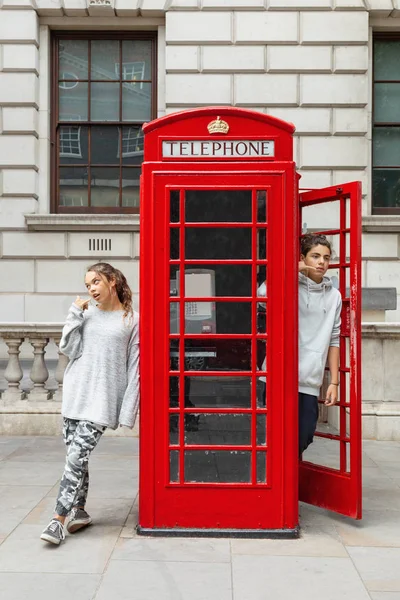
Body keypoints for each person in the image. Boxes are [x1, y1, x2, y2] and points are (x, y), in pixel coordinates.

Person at [40, 262, 139, 545]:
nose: (91, 289)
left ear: (112, 281)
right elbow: (68, 349)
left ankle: (58, 520)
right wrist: (74, 314)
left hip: (103, 399)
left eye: (95, 282)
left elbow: (135, 368)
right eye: (87, 285)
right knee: (76, 458)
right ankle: (80, 511)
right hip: (76, 392)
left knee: (75, 457)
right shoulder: (85, 314)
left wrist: (128, 412)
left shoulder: (132, 320)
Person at [298, 234, 341, 457]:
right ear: (303, 258)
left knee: (304, 435)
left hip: (310, 380)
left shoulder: (334, 296)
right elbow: (262, 293)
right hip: (279, 377)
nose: (321, 262)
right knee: (279, 441)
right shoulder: (290, 285)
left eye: (326, 257)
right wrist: (296, 270)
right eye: (315, 256)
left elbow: (334, 338)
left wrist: (333, 382)